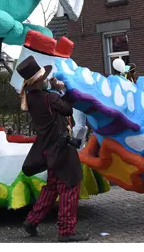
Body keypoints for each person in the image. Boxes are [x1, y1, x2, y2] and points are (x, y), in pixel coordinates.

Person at [17, 56, 88, 242]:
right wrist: (62, 89)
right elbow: (67, 110)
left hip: (49, 150)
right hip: (62, 149)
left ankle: (32, 221)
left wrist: (55, 91)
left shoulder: (31, 98)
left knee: (52, 187)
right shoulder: (49, 97)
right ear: (39, 80)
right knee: (69, 186)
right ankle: (66, 231)